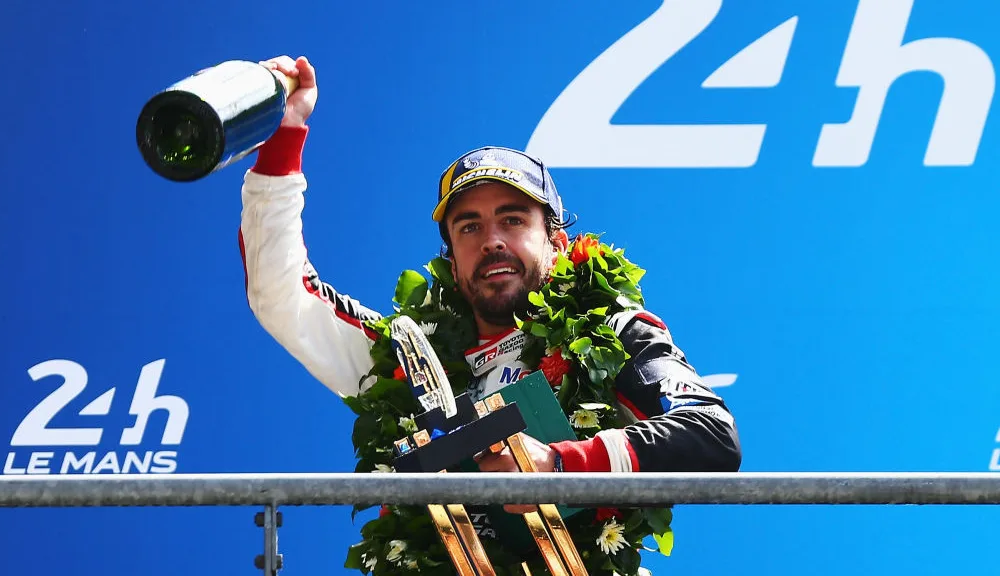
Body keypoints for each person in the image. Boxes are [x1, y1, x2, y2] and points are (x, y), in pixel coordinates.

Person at [238, 53, 741, 553]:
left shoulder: (613, 334)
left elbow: (710, 434)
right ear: (452, 261)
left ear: (557, 241)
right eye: (470, 226)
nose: (492, 240)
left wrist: (560, 466)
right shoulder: (409, 360)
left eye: (514, 220)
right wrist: (285, 132)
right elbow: (282, 295)